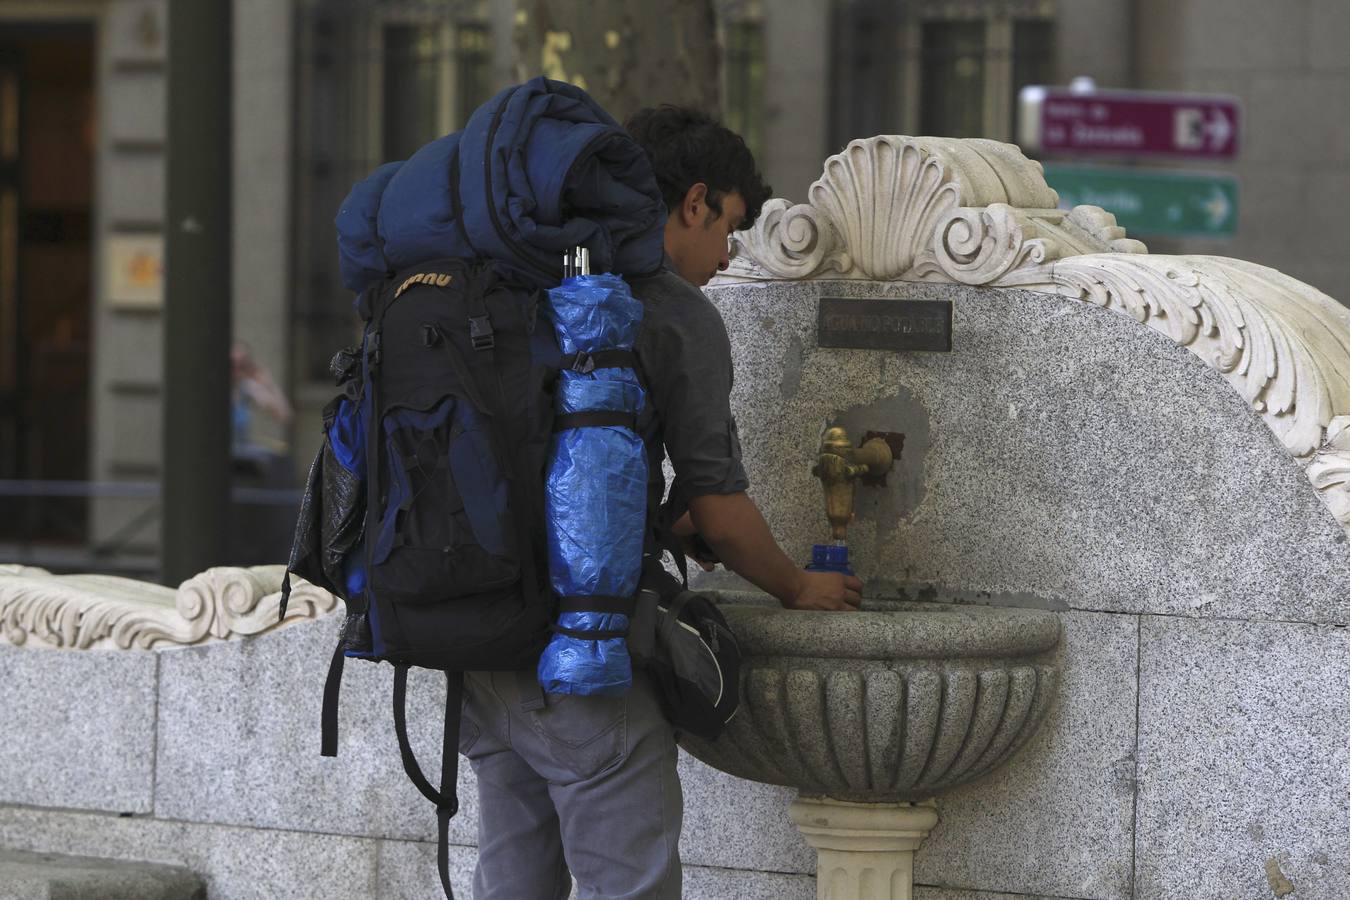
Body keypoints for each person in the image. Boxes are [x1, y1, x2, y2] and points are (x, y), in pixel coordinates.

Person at [458, 105, 863, 900]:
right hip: (581, 657)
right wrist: (799, 587)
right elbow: (720, 505)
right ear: (696, 202)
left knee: (513, 881)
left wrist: (657, 523)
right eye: (730, 228)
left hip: (477, 643)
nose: (725, 255)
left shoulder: (527, 282)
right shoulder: (674, 312)